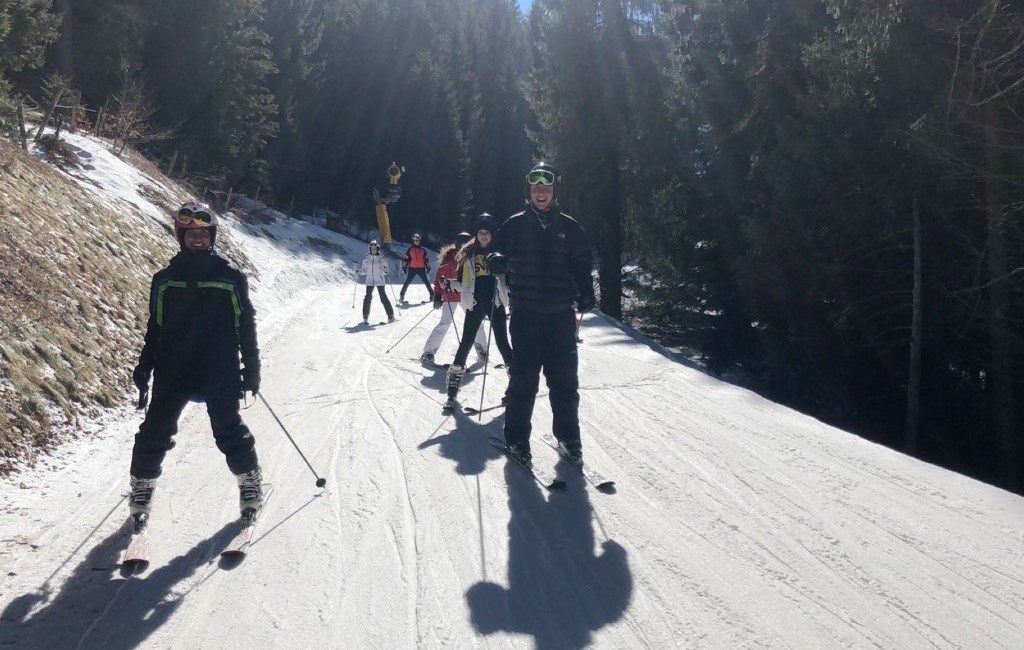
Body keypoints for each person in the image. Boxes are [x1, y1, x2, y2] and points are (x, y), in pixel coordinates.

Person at [129, 200, 264, 524]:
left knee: (227, 428)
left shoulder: (230, 277)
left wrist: (252, 367)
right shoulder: (164, 280)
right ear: (180, 237)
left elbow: (245, 324)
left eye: (203, 233)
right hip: (173, 367)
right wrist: (144, 367)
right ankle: (142, 487)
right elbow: (155, 328)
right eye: (190, 234)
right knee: (154, 430)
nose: (197, 239)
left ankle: (249, 482)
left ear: (212, 236)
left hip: (219, 367)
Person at [490, 162, 595, 465]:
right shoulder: (516, 224)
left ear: (553, 190)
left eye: (546, 187)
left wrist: (587, 292)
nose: (541, 192)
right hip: (526, 313)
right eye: (536, 187)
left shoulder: (569, 226)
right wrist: (497, 260)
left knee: (564, 380)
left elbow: (581, 263)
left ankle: (568, 437)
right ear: (530, 190)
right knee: (524, 380)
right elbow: (497, 250)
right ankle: (517, 439)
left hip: (561, 314)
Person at [443, 214, 513, 411]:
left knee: (502, 342)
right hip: (474, 303)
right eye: (481, 232)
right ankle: (452, 390)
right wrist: (450, 284)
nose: (483, 235)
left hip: (495, 302)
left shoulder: (500, 252)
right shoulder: (467, 254)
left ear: (492, 234)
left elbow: (509, 277)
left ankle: (515, 386)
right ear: (476, 234)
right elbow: (462, 280)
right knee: (465, 343)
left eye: (487, 232)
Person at [420, 232, 487, 366]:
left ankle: (482, 351)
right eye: (461, 244)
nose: (463, 246)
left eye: (466, 243)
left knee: (476, 323)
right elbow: (440, 277)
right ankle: (428, 352)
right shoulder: (449, 258)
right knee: (445, 323)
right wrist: (438, 295)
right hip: (451, 295)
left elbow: (477, 277)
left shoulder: (471, 257)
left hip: (467, 295)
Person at [356, 239, 396, 324]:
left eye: (374, 248)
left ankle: (391, 316)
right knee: (367, 298)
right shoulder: (367, 258)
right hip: (369, 281)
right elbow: (364, 270)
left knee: (383, 298)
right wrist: (358, 271)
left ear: (377, 248)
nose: (373, 249)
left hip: (380, 281)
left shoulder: (381, 258)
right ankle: (365, 317)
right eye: (371, 248)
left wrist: (385, 271)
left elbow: (386, 271)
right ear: (370, 248)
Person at [399, 233, 433, 302]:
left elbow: (426, 259)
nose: (417, 242)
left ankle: (432, 295)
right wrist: (404, 267)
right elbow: (406, 259)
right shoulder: (410, 250)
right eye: (415, 240)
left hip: (421, 268)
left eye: (418, 241)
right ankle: (401, 296)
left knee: (426, 282)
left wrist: (428, 267)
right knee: (407, 282)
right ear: (413, 241)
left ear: (419, 241)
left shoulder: (423, 250)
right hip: (412, 268)